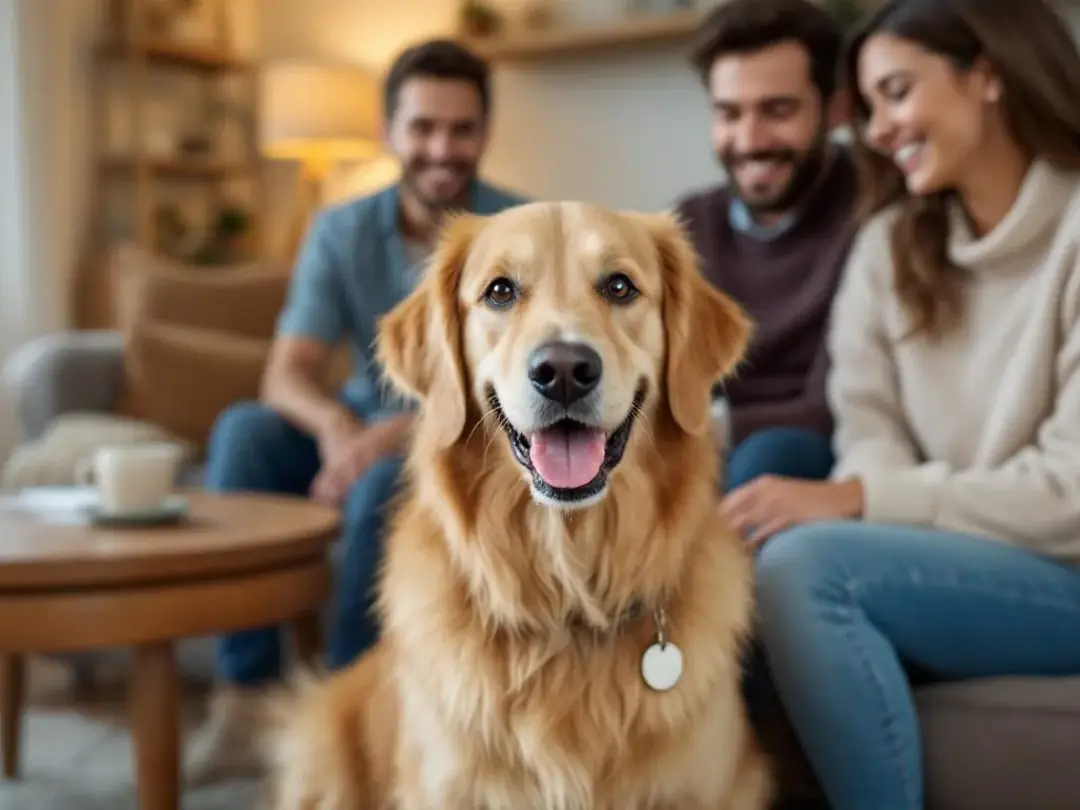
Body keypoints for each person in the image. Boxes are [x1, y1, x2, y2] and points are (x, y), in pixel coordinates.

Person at [721, 0, 1080, 808]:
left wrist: (859, 501)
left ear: (986, 74)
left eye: (896, 92)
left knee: (807, 566)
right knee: (749, 558)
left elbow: (1071, 495)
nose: (877, 128)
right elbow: (868, 425)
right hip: (959, 560)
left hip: (1067, 575)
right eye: (870, 106)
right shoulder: (889, 247)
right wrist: (867, 495)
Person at [184, 38, 528, 783]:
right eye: (423, 127)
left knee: (383, 484)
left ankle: (352, 707)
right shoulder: (340, 231)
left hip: (469, 440)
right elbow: (286, 374)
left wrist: (381, 442)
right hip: (357, 424)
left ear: (485, 133)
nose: (441, 147)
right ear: (388, 132)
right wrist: (340, 429)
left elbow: (503, 390)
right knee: (243, 432)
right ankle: (244, 697)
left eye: (460, 129)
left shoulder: (519, 232)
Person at [676, 0, 856, 492]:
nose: (750, 140)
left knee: (767, 456)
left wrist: (710, 429)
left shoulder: (872, 216)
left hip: (811, 449)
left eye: (777, 110)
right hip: (706, 437)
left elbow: (837, 404)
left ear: (835, 108)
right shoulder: (692, 221)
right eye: (729, 113)